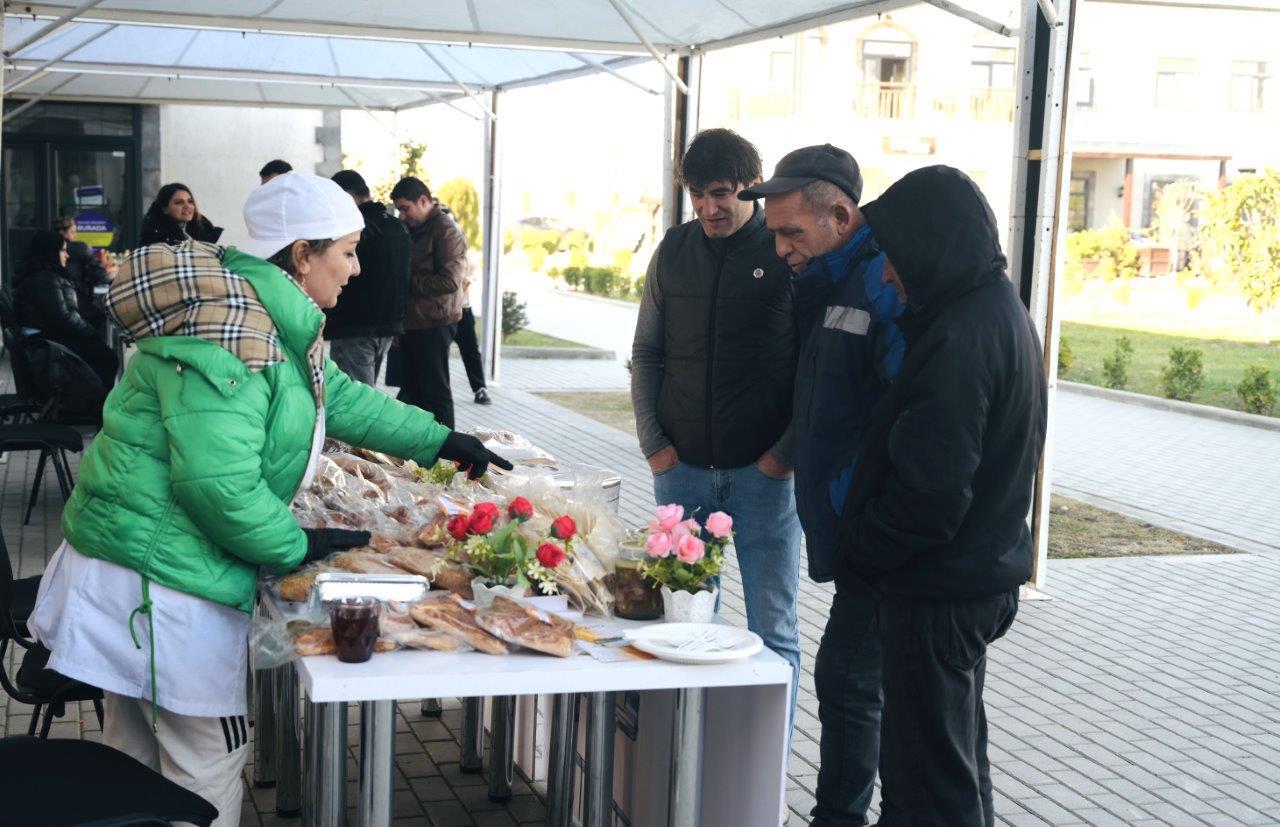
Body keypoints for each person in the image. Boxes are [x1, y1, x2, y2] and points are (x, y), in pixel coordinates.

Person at [31, 172, 511, 827]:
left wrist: (441, 439)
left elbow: (337, 398)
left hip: (139, 571)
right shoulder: (236, 334)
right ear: (302, 254)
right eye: (346, 250)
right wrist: (294, 545)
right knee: (203, 773)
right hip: (160, 587)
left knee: (137, 769)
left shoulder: (262, 316)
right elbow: (217, 488)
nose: (358, 266)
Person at [842, 165, 1048, 826]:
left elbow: (931, 498)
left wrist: (861, 544)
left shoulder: (961, 336)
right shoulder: (996, 311)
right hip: (971, 580)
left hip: (939, 592)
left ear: (931, 246)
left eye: (897, 258)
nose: (890, 275)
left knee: (926, 786)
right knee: (955, 770)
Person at [741, 144, 905, 826]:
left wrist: (864, 511)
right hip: (853, 524)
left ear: (840, 213)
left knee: (851, 683)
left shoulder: (883, 284)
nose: (778, 247)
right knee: (850, 683)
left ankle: (839, 817)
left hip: (882, 532)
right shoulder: (825, 279)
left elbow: (912, 417)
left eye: (790, 232)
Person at [630, 128, 802, 716]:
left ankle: (763, 778)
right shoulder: (673, 252)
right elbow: (647, 352)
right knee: (681, 629)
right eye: (697, 194)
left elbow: (812, 368)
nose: (708, 208)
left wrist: (783, 456)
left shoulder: (783, 253)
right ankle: (690, 762)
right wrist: (654, 445)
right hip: (682, 476)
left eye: (721, 193)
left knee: (773, 629)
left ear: (750, 188)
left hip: (764, 478)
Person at [390, 177, 466, 428]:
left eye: (405, 208)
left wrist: (407, 283)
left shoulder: (446, 230)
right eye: (398, 210)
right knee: (413, 391)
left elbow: (450, 281)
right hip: (414, 324)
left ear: (423, 201)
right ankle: (418, 451)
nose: (402, 216)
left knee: (435, 392)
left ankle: (449, 454)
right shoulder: (416, 228)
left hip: (435, 323)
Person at [326, 169, 411, 385]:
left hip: (353, 329)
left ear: (347, 196)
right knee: (365, 396)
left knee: (352, 403)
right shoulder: (397, 227)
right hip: (387, 327)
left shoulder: (353, 229)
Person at [13, 230, 119, 388]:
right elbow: (63, 317)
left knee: (103, 352)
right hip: (48, 343)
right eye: (63, 250)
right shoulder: (44, 278)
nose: (67, 255)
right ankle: (97, 405)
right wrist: (90, 332)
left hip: (47, 339)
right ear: (50, 251)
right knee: (107, 357)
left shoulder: (42, 274)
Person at [52, 216, 113, 334]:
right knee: (101, 319)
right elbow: (100, 275)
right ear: (62, 233)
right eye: (73, 232)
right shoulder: (79, 249)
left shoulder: (42, 251)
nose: (75, 235)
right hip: (74, 302)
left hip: (56, 309)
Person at [140, 183, 223, 245]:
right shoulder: (152, 237)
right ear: (165, 209)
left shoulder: (202, 228)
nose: (187, 206)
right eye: (179, 202)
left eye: (190, 201)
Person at [455, 263, 491, 404]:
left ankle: (480, 388)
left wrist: (467, 279)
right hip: (443, 311)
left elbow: (472, 275)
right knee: (437, 353)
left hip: (464, 310)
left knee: (471, 351)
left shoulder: (468, 257)